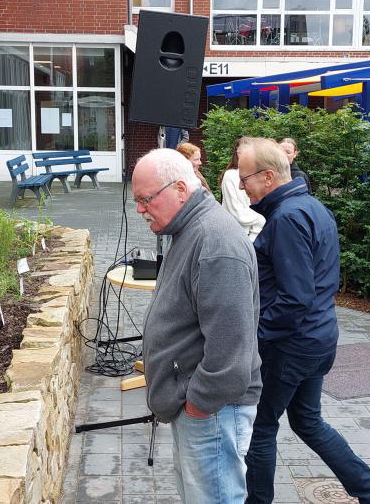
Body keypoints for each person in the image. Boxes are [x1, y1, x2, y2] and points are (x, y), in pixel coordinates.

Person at [238, 138, 370, 504]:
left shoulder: (288, 218)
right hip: (317, 339)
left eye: (245, 178)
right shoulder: (311, 207)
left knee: (260, 428)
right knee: (308, 422)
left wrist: (257, 337)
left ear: (269, 177)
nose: (240, 185)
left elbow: (295, 297)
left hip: (291, 345)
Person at [131, 149, 262, 502]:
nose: (140, 210)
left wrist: (196, 406)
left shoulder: (214, 243)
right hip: (202, 408)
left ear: (180, 190)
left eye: (146, 200)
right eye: (137, 201)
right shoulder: (190, 228)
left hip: (213, 410)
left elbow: (229, 354)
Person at [219, 139, 266, 240]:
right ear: (237, 153)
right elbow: (236, 212)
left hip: (255, 233)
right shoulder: (230, 175)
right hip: (235, 234)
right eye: (241, 152)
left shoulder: (259, 174)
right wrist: (261, 219)